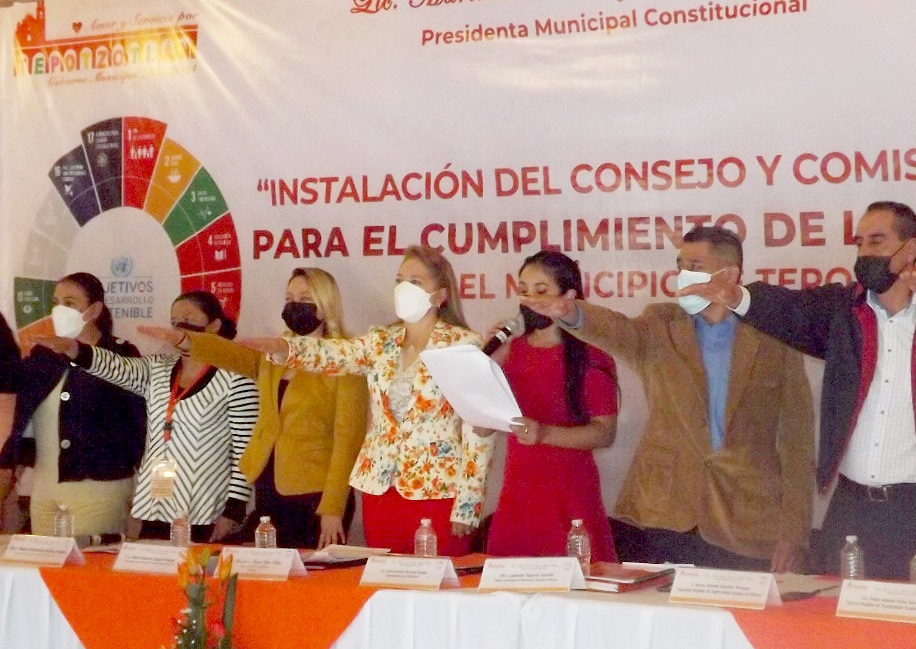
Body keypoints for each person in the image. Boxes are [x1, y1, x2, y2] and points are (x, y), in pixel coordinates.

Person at [521, 226, 815, 572]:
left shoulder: (774, 337)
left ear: (729, 275)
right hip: (665, 513)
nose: (682, 275)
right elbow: (615, 329)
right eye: (680, 266)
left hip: (747, 523)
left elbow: (797, 441)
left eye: (694, 266)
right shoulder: (661, 325)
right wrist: (573, 313)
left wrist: (794, 532)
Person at [681, 201, 916, 579]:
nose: (864, 253)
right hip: (851, 507)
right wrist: (737, 296)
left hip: (911, 507)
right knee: (839, 613)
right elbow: (792, 309)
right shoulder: (844, 311)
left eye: (877, 241)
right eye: (859, 243)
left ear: (911, 248)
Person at [245, 246, 494, 556]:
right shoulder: (381, 340)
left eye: (415, 282)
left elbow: (480, 428)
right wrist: (287, 349)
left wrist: (468, 504)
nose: (403, 288)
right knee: (384, 578)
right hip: (379, 487)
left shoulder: (463, 344)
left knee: (438, 579)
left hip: (439, 490)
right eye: (399, 280)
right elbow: (335, 354)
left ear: (441, 295)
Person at [138, 269, 369, 549]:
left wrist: (333, 507)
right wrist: (185, 340)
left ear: (326, 304)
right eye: (289, 298)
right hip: (269, 488)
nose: (294, 305)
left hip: (315, 493)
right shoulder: (274, 354)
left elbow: (348, 441)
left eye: (305, 299)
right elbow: (229, 353)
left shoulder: (346, 361)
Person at [40, 290, 258, 543]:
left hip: (205, 508)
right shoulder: (159, 367)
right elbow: (118, 368)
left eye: (188, 318)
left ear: (214, 326)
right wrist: (76, 350)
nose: (179, 327)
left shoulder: (236, 377)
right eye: (174, 321)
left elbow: (247, 452)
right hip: (157, 503)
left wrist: (233, 510)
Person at [484, 251, 619, 561]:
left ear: (569, 296)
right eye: (524, 290)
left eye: (541, 290)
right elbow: (480, 427)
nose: (530, 299)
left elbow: (604, 433)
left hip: (570, 496)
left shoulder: (593, 354)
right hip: (518, 496)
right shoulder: (510, 351)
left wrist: (544, 433)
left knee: (578, 582)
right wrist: (487, 367)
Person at [0, 273, 146, 537]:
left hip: (100, 486)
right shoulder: (44, 355)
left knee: (90, 560)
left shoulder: (121, 354)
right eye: (56, 303)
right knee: (43, 561)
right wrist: (10, 464)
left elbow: (137, 424)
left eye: (69, 303)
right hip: (45, 488)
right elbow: (20, 409)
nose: (59, 310)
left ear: (95, 310)